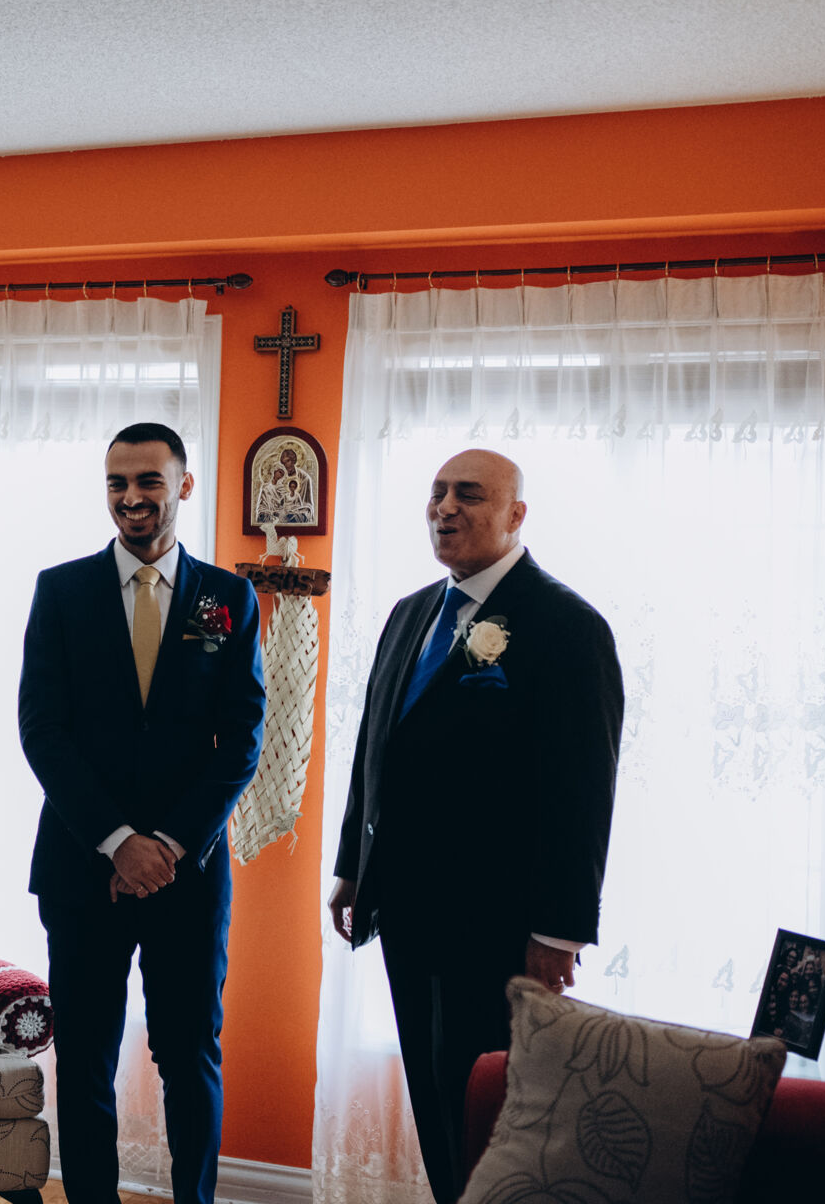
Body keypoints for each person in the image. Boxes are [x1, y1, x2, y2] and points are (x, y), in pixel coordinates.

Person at [327, 448, 622, 1204]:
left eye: (469, 494)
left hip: (499, 925)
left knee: (491, 1112)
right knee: (432, 1098)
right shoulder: (410, 613)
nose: (445, 508)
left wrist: (559, 932)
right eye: (437, 494)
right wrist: (353, 866)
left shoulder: (567, 626)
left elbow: (583, 791)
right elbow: (374, 746)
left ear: (516, 514)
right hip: (406, 910)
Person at [18, 422, 265, 1204]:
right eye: (117, 483)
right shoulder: (60, 592)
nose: (131, 497)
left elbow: (244, 741)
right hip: (81, 868)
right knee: (86, 1056)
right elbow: (42, 732)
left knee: (189, 1055)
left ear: (182, 485)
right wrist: (119, 842)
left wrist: (169, 845)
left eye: (149, 481)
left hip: (188, 877)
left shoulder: (228, 599)